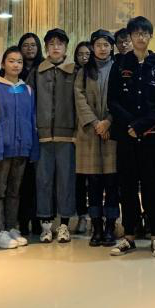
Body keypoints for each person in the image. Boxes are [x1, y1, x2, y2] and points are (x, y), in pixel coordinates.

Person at [107, 16, 155, 257]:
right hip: (126, 136)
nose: (140, 37)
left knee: (153, 187)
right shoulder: (120, 64)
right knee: (127, 187)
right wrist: (131, 124)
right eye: (136, 33)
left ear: (150, 36)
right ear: (130, 37)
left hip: (152, 136)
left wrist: (142, 125)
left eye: (145, 33)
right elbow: (112, 100)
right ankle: (129, 236)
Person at [29, 28, 77, 243]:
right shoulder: (37, 71)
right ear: (46, 47)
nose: (56, 47)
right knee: (43, 181)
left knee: (66, 181)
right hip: (42, 136)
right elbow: (29, 101)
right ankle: (46, 226)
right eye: (51, 44)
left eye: (60, 44)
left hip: (68, 137)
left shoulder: (75, 71)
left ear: (66, 47)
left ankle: (64, 225)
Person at [0, 47, 39, 249]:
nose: (16, 65)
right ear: (3, 64)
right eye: (11, 61)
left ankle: (10, 227)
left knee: (14, 191)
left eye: (19, 61)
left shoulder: (27, 89)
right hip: (2, 147)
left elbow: (32, 119)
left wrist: (32, 147)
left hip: (22, 147)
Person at [75, 30, 119, 248]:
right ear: (92, 47)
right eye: (99, 45)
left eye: (106, 45)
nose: (102, 48)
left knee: (112, 183)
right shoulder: (84, 72)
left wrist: (108, 121)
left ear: (112, 47)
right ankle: (97, 228)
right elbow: (79, 98)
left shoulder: (118, 68)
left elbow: (122, 98)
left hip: (112, 133)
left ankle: (110, 226)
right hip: (90, 134)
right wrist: (95, 123)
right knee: (93, 184)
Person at [16, 32, 43, 236]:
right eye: (25, 45)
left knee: (38, 180)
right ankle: (22, 221)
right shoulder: (12, 72)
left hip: (40, 128)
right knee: (21, 181)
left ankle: (38, 220)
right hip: (19, 129)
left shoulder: (44, 68)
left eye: (33, 45)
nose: (29, 48)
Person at [72, 40, 93, 234]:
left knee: (98, 179)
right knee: (79, 179)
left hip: (98, 129)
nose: (84, 57)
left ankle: (98, 216)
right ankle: (82, 216)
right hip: (77, 131)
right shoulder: (73, 74)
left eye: (88, 54)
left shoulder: (98, 72)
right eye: (80, 54)